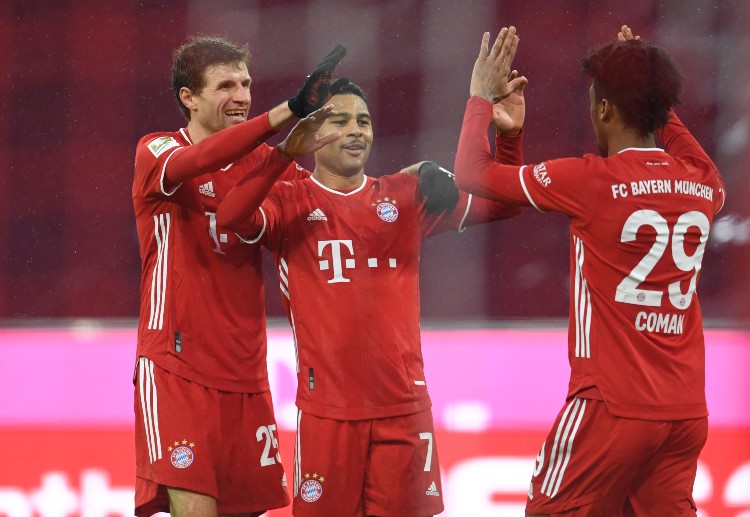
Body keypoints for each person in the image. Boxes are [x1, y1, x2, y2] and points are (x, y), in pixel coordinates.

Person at [214, 79, 524, 516]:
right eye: (340, 121)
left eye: (363, 121)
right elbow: (229, 218)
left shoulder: (405, 195)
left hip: (404, 409)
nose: (356, 130)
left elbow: (505, 204)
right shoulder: (287, 200)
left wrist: (510, 136)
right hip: (327, 413)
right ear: (313, 132)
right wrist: (283, 154)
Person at [454, 25, 726, 516]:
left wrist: (479, 100)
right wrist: (647, 84)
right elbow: (679, 141)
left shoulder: (590, 180)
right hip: (685, 414)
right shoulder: (703, 183)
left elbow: (473, 175)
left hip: (609, 407)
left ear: (603, 110)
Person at [131, 35, 346, 517]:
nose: (242, 96)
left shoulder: (270, 166)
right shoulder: (158, 150)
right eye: (225, 86)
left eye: (246, 84)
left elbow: (341, 208)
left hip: (247, 372)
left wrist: (412, 190)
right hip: (176, 365)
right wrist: (287, 113)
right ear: (189, 97)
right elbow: (199, 161)